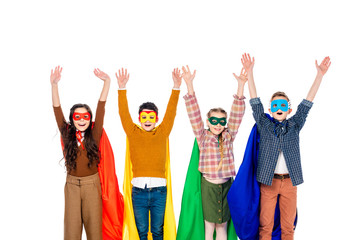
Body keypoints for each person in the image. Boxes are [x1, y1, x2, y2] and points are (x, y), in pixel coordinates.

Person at [241, 53, 331, 240]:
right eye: (275, 105)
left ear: (288, 109)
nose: (279, 108)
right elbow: (254, 101)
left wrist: (319, 75)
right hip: (269, 182)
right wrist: (250, 72)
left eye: (283, 105)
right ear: (270, 109)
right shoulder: (264, 126)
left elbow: (307, 103)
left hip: (290, 182)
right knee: (265, 226)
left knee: (288, 227)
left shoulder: (295, 124)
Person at [181, 65, 247, 240]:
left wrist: (241, 87)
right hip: (208, 187)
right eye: (214, 121)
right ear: (208, 122)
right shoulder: (202, 137)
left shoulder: (228, 136)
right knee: (209, 227)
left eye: (221, 121)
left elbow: (237, 115)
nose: (218, 124)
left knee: (223, 227)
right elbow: (193, 112)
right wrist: (189, 84)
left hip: (226, 186)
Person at [116, 68, 181, 240]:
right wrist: (121, 89)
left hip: (160, 191)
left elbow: (171, 113)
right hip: (139, 191)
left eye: (151, 117)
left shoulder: (162, 132)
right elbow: (123, 114)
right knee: (142, 231)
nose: (147, 121)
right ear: (139, 119)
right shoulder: (132, 132)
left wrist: (176, 87)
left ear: (157, 119)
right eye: (144, 117)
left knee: (158, 231)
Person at [51, 66, 111, 240]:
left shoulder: (95, 133)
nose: (82, 120)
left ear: (90, 118)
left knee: (94, 231)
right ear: (72, 119)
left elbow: (101, 107)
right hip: (71, 186)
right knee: (71, 232)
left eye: (86, 116)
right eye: (77, 117)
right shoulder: (67, 134)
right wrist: (54, 85)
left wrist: (107, 82)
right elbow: (57, 110)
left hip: (92, 185)